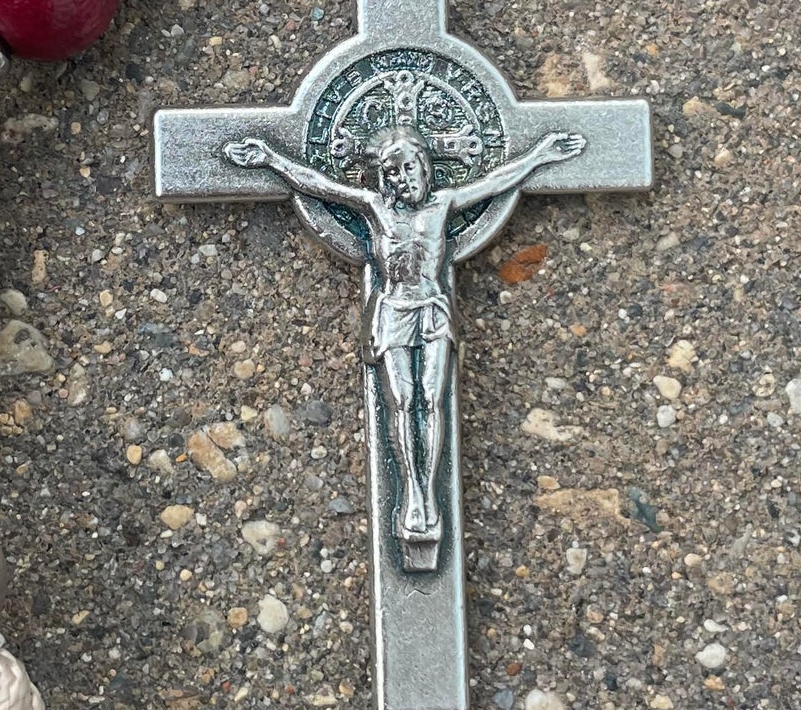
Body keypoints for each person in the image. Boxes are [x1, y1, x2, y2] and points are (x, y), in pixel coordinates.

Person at [222, 121, 586, 567]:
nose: (402, 179)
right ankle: (411, 493)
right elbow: (319, 184)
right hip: (393, 310)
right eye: (392, 173)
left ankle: (426, 498)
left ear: (425, 165)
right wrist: (271, 159)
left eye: (409, 167)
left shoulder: (443, 204)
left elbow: (495, 181)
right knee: (402, 399)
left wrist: (540, 156)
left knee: (432, 399)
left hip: (432, 308)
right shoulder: (376, 208)